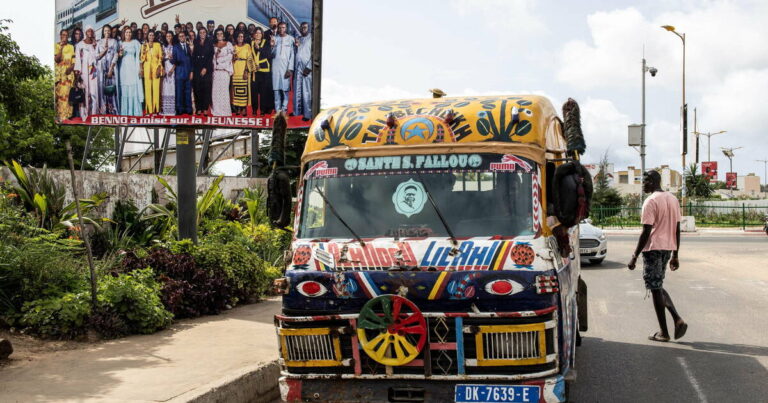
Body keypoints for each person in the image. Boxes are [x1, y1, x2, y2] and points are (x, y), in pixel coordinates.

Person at [628, 170, 687, 342]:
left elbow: (646, 232)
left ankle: (665, 331)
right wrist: (675, 254)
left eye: (645, 181)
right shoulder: (673, 199)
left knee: (655, 288)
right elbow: (677, 230)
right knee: (657, 285)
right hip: (667, 248)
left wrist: (634, 256)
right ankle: (677, 320)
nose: (643, 185)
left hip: (653, 249)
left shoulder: (650, 201)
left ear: (653, 181)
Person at [74, 27, 100, 119]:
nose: (90, 32)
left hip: (93, 72)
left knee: (93, 92)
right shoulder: (80, 45)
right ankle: (84, 115)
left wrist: (95, 46)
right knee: (84, 93)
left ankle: (93, 114)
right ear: (85, 32)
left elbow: (97, 57)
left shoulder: (95, 44)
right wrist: (78, 74)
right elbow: (77, 59)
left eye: (92, 31)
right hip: (83, 71)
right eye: (88, 31)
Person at [117, 27, 143, 116]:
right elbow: (118, 56)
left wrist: (140, 68)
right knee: (125, 88)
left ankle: (135, 111)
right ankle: (125, 112)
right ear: (124, 34)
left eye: (129, 32)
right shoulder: (121, 43)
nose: (128, 34)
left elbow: (140, 55)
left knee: (133, 88)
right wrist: (120, 54)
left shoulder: (135, 42)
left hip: (133, 67)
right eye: (126, 32)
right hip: (124, 68)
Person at [270, 22, 293, 113]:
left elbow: (292, 55)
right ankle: (277, 109)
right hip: (275, 67)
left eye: (283, 27)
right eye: (279, 28)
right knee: (276, 89)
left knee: (285, 89)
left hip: (285, 68)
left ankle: (284, 108)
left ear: (286, 28)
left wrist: (290, 69)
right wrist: (272, 46)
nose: (281, 29)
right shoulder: (274, 39)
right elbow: (271, 54)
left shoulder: (291, 39)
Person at [96, 24, 119, 115]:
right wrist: (102, 53)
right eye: (105, 31)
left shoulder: (114, 41)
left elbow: (116, 55)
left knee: (111, 89)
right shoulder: (99, 42)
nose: (107, 32)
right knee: (102, 89)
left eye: (108, 30)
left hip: (111, 67)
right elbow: (96, 56)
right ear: (103, 32)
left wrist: (111, 69)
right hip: (101, 68)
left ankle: (113, 110)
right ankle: (103, 111)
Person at [250, 28, 273, 115]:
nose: (258, 35)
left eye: (259, 33)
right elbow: (250, 56)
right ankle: (254, 109)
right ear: (254, 34)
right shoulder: (251, 43)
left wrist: (259, 48)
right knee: (254, 91)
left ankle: (262, 110)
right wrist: (253, 66)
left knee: (263, 91)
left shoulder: (266, 42)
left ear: (262, 34)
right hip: (254, 70)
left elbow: (268, 55)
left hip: (264, 70)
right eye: (256, 33)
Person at [211, 29, 233, 116]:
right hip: (216, 71)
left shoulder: (228, 44)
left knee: (224, 91)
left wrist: (219, 61)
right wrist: (216, 55)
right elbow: (212, 58)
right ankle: (216, 111)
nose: (219, 35)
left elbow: (230, 56)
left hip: (224, 71)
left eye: (221, 34)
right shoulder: (213, 45)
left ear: (223, 35)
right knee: (215, 91)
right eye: (217, 34)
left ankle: (225, 112)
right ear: (216, 36)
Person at [140, 30, 163, 114]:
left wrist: (159, 67)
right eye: (150, 35)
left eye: (152, 35)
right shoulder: (143, 45)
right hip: (147, 69)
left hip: (156, 68)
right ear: (147, 36)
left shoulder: (158, 45)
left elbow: (160, 57)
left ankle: (156, 109)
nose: (151, 37)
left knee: (156, 89)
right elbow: (142, 59)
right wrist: (145, 50)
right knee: (148, 89)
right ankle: (149, 109)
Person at [55, 29, 75, 121]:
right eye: (63, 35)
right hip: (59, 75)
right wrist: (61, 48)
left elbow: (74, 61)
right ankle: (60, 117)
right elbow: (57, 60)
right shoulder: (56, 46)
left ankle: (66, 117)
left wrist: (70, 69)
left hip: (68, 74)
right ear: (60, 35)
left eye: (66, 35)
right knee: (59, 96)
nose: (65, 37)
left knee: (67, 96)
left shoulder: (71, 47)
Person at [192, 28, 213, 115]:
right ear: (198, 34)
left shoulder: (210, 43)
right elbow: (193, 56)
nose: (202, 34)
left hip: (206, 69)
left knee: (206, 89)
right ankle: (199, 108)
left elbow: (210, 57)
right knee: (197, 89)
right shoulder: (195, 42)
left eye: (204, 32)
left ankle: (205, 108)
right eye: (200, 32)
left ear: (206, 33)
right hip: (197, 69)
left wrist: (205, 68)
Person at [172, 31, 193, 115]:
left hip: (188, 72)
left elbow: (192, 60)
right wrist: (171, 59)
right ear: (178, 38)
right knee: (179, 92)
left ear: (185, 37)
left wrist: (191, 71)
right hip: (179, 73)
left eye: (183, 36)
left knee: (188, 91)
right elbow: (174, 61)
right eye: (180, 36)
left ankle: (188, 109)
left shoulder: (189, 46)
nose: (182, 37)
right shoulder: (175, 47)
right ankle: (179, 109)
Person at [232, 31, 253, 116]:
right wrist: (233, 57)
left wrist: (246, 70)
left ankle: (243, 108)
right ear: (236, 38)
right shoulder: (234, 47)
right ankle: (238, 108)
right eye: (239, 36)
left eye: (242, 36)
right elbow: (231, 59)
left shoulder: (247, 46)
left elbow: (250, 59)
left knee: (244, 90)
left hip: (244, 68)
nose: (240, 38)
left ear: (244, 38)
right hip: (235, 69)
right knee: (236, 90)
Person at [294, 22, 312, 121]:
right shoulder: (299, 39)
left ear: (308, 28)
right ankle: (297, 111)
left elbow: (315, 53)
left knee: (306, 91)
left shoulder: (312, 38)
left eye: (305, 27)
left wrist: (309, 67)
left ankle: (307, 114)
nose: (303, 29)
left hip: (306, 68)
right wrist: (296, 46)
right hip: (298, 67)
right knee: (298, 90)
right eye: (301, 27)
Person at [161, 31, 176, 116]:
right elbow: (161, 59)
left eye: (170, 36)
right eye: (167, 36)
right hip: (165, 66)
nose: (169, 37)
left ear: (172, 37)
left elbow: (177, 60)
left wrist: (172, 69)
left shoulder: (175, 47)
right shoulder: (163, 47)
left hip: (172, 67)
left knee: (172, 87)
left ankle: (172, 109)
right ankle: (166, 109)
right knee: (165, 87)